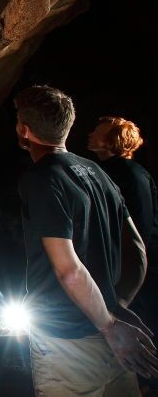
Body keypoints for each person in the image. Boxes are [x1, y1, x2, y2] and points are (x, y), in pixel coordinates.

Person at [14, 86, 157, 395]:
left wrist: (109, 325)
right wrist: (115, 307)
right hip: (113, 332)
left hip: (67, 340)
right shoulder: (98, 172)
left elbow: (69, 269)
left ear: (25, 130)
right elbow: (138, 250)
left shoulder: (41, 178)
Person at [88, 116, 158, 391]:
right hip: (126, 271)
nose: (91, 132)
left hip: (142, 275)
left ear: (114, 139)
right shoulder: (109, 171)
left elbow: (140, 229)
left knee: (144, 334)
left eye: (98, 129)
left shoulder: (130, 174)